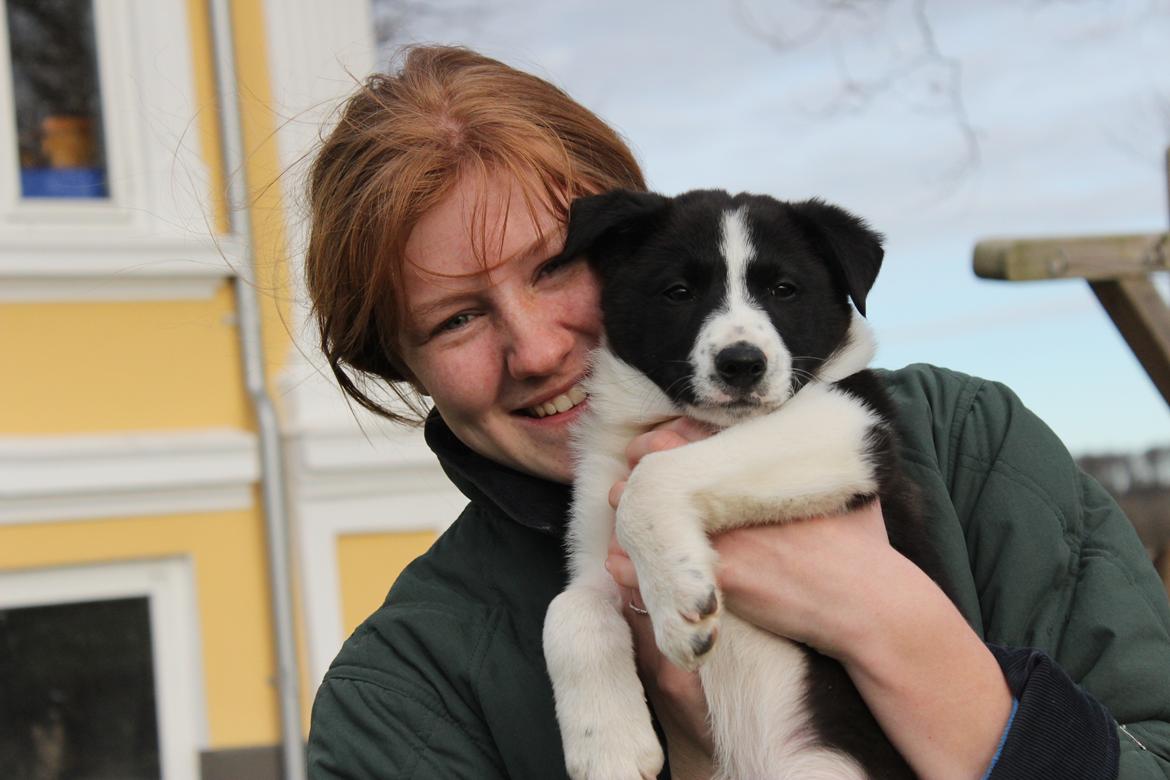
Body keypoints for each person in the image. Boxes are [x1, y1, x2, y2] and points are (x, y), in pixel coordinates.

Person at [303, 45, 1170, 779]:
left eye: (550, 268)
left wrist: (895, 632)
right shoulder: (401, 697)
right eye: (455, 318)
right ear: (399, 363)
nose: (533, 350)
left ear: (631, 243)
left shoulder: (971, 450)